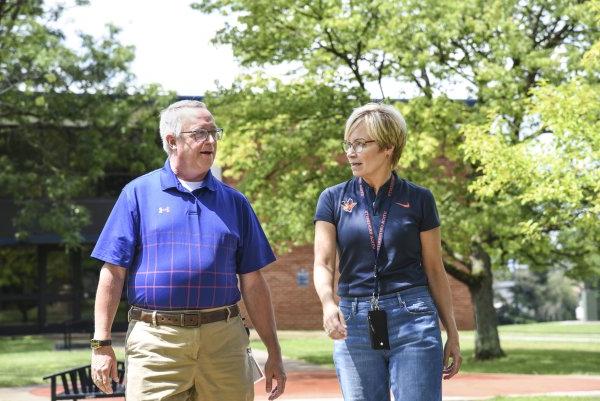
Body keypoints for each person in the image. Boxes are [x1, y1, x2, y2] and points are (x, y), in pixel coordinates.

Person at [90, 100, 286, 401]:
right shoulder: (137, 194)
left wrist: (274, 351)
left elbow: (253, 281)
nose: (211, 141)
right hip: (156, 343)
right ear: (172, 141)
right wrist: (101, 344)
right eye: (200, 133)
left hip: (225, 343)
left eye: (214, 133)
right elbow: (113, 273)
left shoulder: (236, 202)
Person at [313, 103, 462, 401]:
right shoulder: (332, 198)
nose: (350, 152)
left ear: (388, 148)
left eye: (360, 144)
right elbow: (324, 263)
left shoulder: (420, 199)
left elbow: (435, 269)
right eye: (348, 144)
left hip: (413, 317)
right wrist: (329, 304)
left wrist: (453, 333)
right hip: (353, 321)